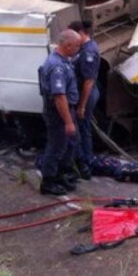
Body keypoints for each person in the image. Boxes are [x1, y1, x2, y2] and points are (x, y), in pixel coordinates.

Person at [37, 29, 82, 195]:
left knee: (69, 144)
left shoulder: (64, 60)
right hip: (59, 113)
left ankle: (61, 174)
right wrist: (68, 122)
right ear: (68, 46)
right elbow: (59, 97)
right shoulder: (57, 66)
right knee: (56, 147)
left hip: (66, 110)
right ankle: (48, 182)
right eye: (77, 45)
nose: (79, 49)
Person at [68, 20, 100, 180]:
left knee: (83, 128)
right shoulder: (84, 48)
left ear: (80, 33)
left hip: (86, 95)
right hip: (83, 94)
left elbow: (88, 81)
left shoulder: (88, 52)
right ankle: (85, 160)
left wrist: (81, 106)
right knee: (82, 127)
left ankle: (86, 162)